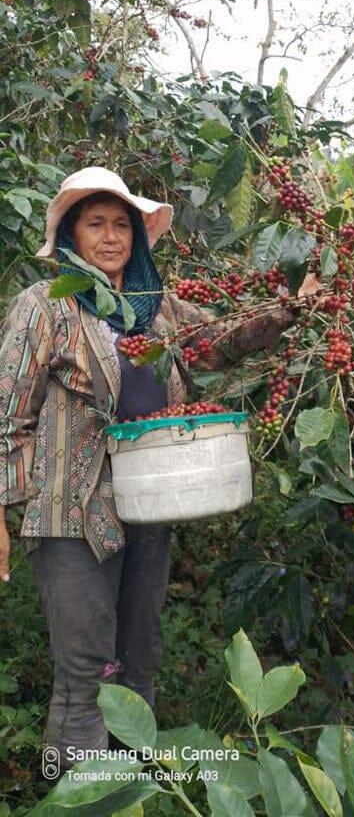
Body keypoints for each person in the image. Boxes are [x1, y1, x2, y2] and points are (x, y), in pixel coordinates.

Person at [0, 166, 307, 769]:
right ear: (71, 236)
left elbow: (219, 340)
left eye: (122, 225)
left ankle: (135, 788)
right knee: (86, 668)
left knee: (138, 655)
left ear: (138, 238)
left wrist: (290, 308)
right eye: (96, 224)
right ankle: (79, 795)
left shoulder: (155, 307)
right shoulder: (45, 306)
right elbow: (7, 414)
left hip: (149, 503)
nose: (111, 237)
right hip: (71, 511)